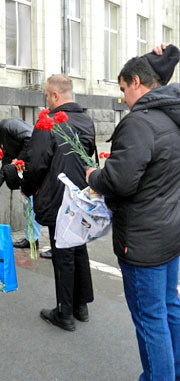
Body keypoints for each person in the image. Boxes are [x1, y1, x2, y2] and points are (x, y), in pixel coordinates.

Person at [86, 44, 180, 380]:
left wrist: (95, 176)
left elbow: (120, 181)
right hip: (170, 232)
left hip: (143, 241)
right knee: (168, 309)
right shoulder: (173, 114)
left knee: (150, 318)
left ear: (137, 82)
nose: (123, 97)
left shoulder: (140, 123)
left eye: (124, 89)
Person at [21, 74, 96, 331]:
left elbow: (37, 163)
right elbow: (89, 157)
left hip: (58, 197)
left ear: (54, 95)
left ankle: (65, 312)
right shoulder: (86, 120)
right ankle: (81, 306)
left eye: (46, 95)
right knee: (79, 248)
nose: (46, 100)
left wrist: (27, 188)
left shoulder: (48, 123)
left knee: (63, 252)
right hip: (82, 197)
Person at [0, 115, 42, 253]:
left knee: (33, 204)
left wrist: (19, 159)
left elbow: (30, 137)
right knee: (29, 203)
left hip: (35, 168)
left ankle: (35, 239)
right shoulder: (1, 135)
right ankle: (32, 238)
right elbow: (7, 161)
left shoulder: (7, 125)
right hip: (27, 169)